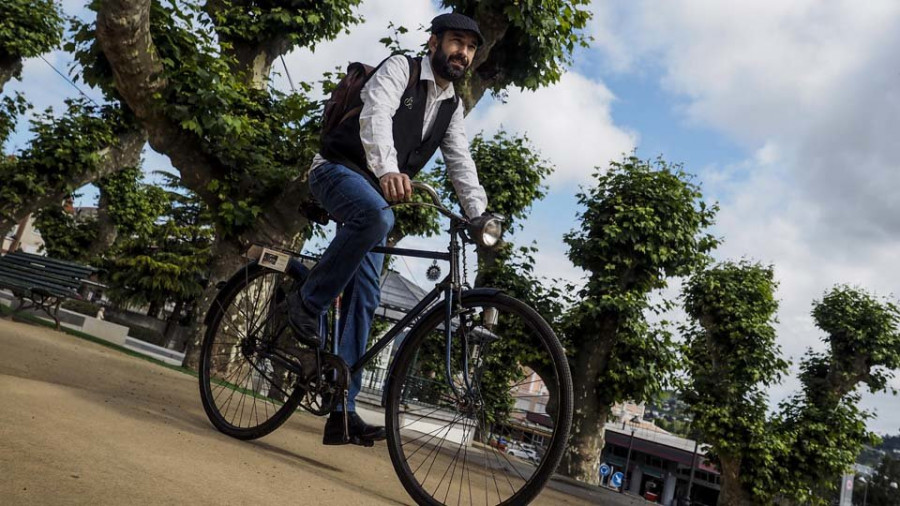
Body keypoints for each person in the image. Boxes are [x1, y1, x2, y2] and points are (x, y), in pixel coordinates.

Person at [288, 12, 491, 446]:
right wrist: (387, 170)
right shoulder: (401, 67)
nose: (464, 53)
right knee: (380, 217)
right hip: (338, 170)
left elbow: (460, 160)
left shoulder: (451, 104)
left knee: (366, 295)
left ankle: (341, 412)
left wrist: (478, 215)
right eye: (457, 42)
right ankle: (308, 300)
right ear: (434, 43)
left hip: (376, 190)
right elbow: (376, 114)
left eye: (471, 48)